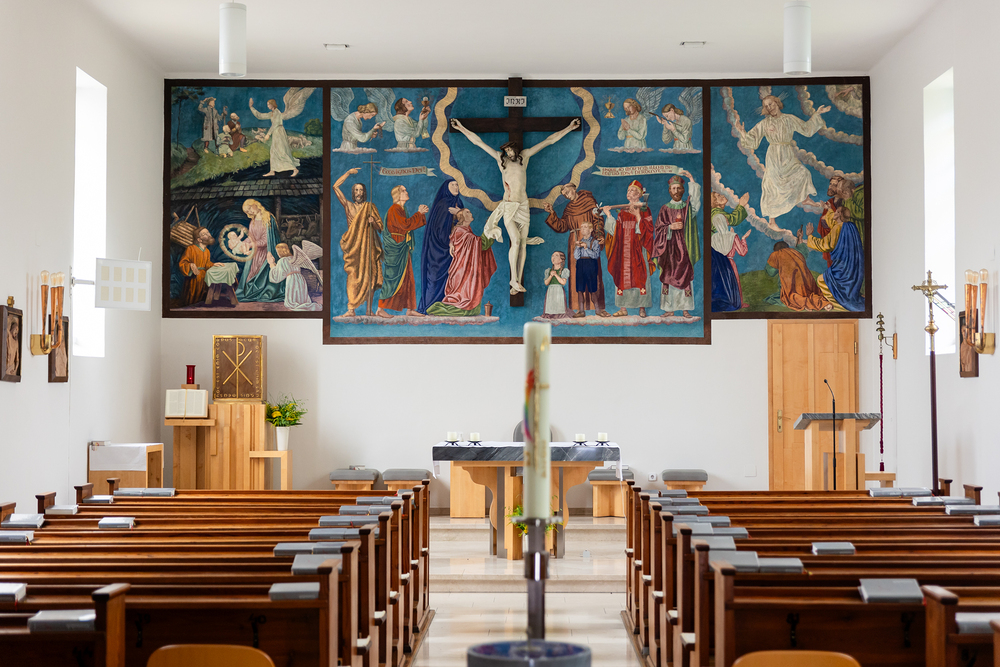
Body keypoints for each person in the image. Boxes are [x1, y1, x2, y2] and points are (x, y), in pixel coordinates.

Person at [450, 117, 580, 294]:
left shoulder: (524, 157)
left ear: (516, 149)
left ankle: (517, 281)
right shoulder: (500, 160)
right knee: (516, 241)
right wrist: (461, 128)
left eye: (511, 149)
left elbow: (548, 141)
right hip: (509, 206)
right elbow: (478, 142)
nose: (509, 152)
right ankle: (513, 279)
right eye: (507, 150)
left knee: (523, 244)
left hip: (523, 206)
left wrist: (569, 128)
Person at [738, 94, 830, 226]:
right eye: (766, 106)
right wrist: (742, 132)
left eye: (771, 104)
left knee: (803, 173)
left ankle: (805, 198)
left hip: (787, 154)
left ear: (777, 103)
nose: (769, 108)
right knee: (771, 185)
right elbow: (753, 141)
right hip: (773, 156)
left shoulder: (789, 119)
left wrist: (817, 114)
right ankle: (772, 221)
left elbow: (806, 129)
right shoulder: (765, 123)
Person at [543, 183, 610, 317]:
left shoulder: (589, 201)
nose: (567, 196)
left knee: (593, 276)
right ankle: (579, 309)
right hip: (574, 242)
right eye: (564, 195)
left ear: (574, 189)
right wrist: (552, 213)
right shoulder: (569, 208)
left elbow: (597, 221)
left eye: (568, 192)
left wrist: (599, 235)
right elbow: (562, 226)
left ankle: (598, 308)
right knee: (577, 276)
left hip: (590, 239)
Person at [426, 209, 497, 317]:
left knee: (470, 304)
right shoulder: (462, 232)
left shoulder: (464, 230)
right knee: (465, 301)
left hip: (464, 270)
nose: (470, 213)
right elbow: (481, 244)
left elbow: (466, 242)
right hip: (462, 272)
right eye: (467, 212)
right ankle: (448, 307)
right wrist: (489, 228)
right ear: (463, 218)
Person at [334, 168, 383, 317]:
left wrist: (373, 222)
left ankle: (369, 310)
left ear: (364, 192)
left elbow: (380, 227)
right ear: (353, 192)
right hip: (353, 246)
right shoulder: (348, 206)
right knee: (353, 276)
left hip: (368, 247)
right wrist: (348, 173)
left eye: (361, 190)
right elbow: (335, 186)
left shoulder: (370, 207)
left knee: (371, 275)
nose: (358, 193)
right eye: (356, 190)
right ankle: (351, 310)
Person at [602, 180, 654, 317]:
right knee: (622, 276)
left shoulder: (644, 209)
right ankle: (623, 309)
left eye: (632, 190)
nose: (629, 192)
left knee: (640, 276)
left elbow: (648, 230)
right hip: (623, 250)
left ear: (639, 194)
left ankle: (642, 308)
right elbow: (615, 231)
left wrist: (637, 215)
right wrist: (608, 215)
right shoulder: (622, 212)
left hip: (638, 249)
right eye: (628, 190)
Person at [377, 185, 429, 318]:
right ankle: (380, 309)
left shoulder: (402, 209)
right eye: (403, 191)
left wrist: (420, 215)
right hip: (395, 248)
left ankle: (410, 309)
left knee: (408, 278)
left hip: (403, 247)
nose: (406, 192)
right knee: (392, 279)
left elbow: (406, 226)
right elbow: (405, 225)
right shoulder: (394, 209)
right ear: (397, 194)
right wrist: (419, 213)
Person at [652, 176, 701, 317]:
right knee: (668, 276)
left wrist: (692, 180)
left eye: (679, 188)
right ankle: (669, 309)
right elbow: (658, 228)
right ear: (669, 190)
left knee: (685, 276)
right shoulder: (665, 208)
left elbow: (696, 203)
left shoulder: (687, 207)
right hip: (669, 248)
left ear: (683, 190)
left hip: (684, 247)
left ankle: (685, 309)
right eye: (673, 188)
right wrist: (670, 227)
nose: (676, 191)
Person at [804, 205, 865, 311]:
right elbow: (835, 225)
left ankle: (840, 306)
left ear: (840, 215)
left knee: (821, 280)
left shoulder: (838, 228)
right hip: (853, 269)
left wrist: (810, 236)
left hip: (843, 269)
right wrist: (829, 209)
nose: (834, 213)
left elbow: (825, 244)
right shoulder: (850, 226)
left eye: (836, 212)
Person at [419, 179, 464, 313]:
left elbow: (464, 225)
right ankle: (428, 307)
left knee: (452, 280)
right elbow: (438, 229)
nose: (455, 187)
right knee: (434, 278)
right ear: (446, 188)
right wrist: (448, 241)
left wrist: (459, 214)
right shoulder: (443, 204)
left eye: (457, 184)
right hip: (438, 250)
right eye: (452, 185)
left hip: (454, 249)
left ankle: (445, 307)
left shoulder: (459, 204)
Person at [764, 232, 831, 311]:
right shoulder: (796, 252)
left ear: (776, 250)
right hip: (808, 284)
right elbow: (803, 249)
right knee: (809, 294)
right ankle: (817, 303)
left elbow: (771, 272)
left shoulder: (776, 254)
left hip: (791, 286)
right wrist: (800, 237)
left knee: (789, 297)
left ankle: (808, 304)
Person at [235, 199, 285, 303]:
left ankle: (264, 292)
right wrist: (244, 243)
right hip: (256, 253)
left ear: (255, 204)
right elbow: (251, 237)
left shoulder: (268, 218)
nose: (250, 211)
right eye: (247, 211)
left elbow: (266, 241)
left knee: (262, 274)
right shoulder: (253, 221)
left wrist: (251, 244)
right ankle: (252, 292)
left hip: (266, 252)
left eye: (250, 208)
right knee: (251, 273)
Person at [710, 191, 752, 312]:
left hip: (717, 263)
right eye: (719, 196)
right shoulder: (717, 213)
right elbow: (742, 252)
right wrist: (743, 239)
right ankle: (737, 303)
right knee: (734, 282)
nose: (723, 196)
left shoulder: (713, 238)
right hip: (729, 262)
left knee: (719, 283)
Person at [249, 97, 300, 177]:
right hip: (276, 133)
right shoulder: (272, 113)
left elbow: (275, 124)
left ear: (272, 104)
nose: (267, 106)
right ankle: (272, 171)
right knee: (273, 151)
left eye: (268, 104)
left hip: (279, 132)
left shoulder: (277, 112)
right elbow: (260, 116)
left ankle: (295, 169)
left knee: (281, 151)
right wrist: (251, 107)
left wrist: (268, 134)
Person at [267, 243, 321, 312]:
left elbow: (276, 277)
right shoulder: (294, 258)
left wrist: (271, 264)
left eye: (277, 251)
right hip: (300, 278)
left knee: (292, 302)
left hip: (292, 279)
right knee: (301, 296)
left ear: (280, 251)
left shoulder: (282, 260)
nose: (277, 253)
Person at [179, 226, 224, 306]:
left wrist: (213, 264)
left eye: (208, 232)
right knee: (192, 300)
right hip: (194, 278)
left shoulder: (207, 251)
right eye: (204, 234)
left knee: (202, 301)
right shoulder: (191, 248)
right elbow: (182, 263)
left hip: (205, 278)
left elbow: (206, 264)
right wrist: (190, 265)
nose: (208, 234)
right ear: (199, 239)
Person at [572, 220, 602, 318]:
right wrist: (577, 247)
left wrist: (585, 248)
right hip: (580, 265)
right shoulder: (579, 242)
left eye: (585, 227)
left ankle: (597, 310)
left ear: (591, 229)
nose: (582, 229)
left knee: (592, 288)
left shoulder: (595, 242)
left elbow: (596, 255)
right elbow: (576, 256)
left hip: (591, 265)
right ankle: (581, 311)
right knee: (580, 289)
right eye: (581, 227)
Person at [543, 252, 570, 318]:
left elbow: (563, 282)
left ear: (561, 260)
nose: (553, 257)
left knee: (559, 303)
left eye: (556, 256)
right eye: (552, 255)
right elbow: (546, 283)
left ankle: (559, 315)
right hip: (550, 290)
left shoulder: (564, 270)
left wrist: (556, 275)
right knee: (551, 304)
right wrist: (551, 276)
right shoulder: (548, 271)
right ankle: (550, 315)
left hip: (559, 290)